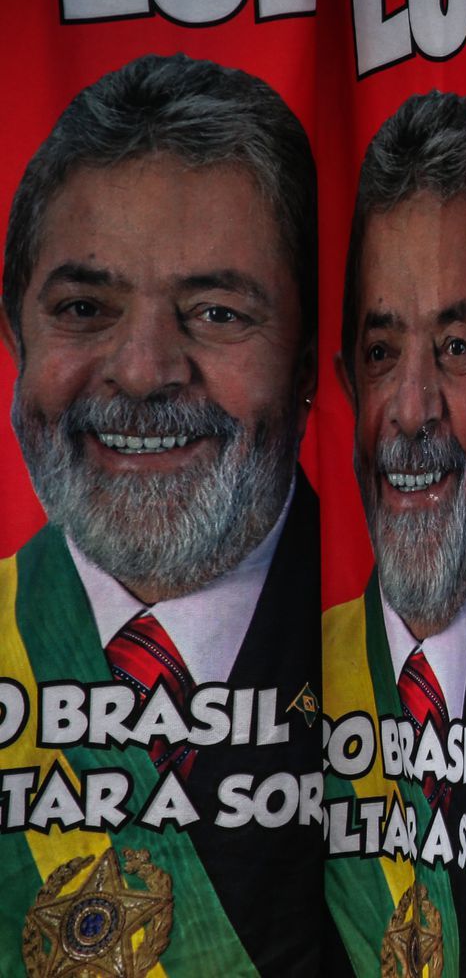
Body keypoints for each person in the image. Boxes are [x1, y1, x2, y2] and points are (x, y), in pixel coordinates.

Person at [0, 53, 329, 973]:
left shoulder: (409, 659)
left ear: (308, 362)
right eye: (83, 307)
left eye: (218, 313)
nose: (144, 370)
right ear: (12, 332)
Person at [324, 91, 466, 974]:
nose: (412, 410)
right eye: (383, 353)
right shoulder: (287, 670)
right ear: (344, 381)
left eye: (455, 348)